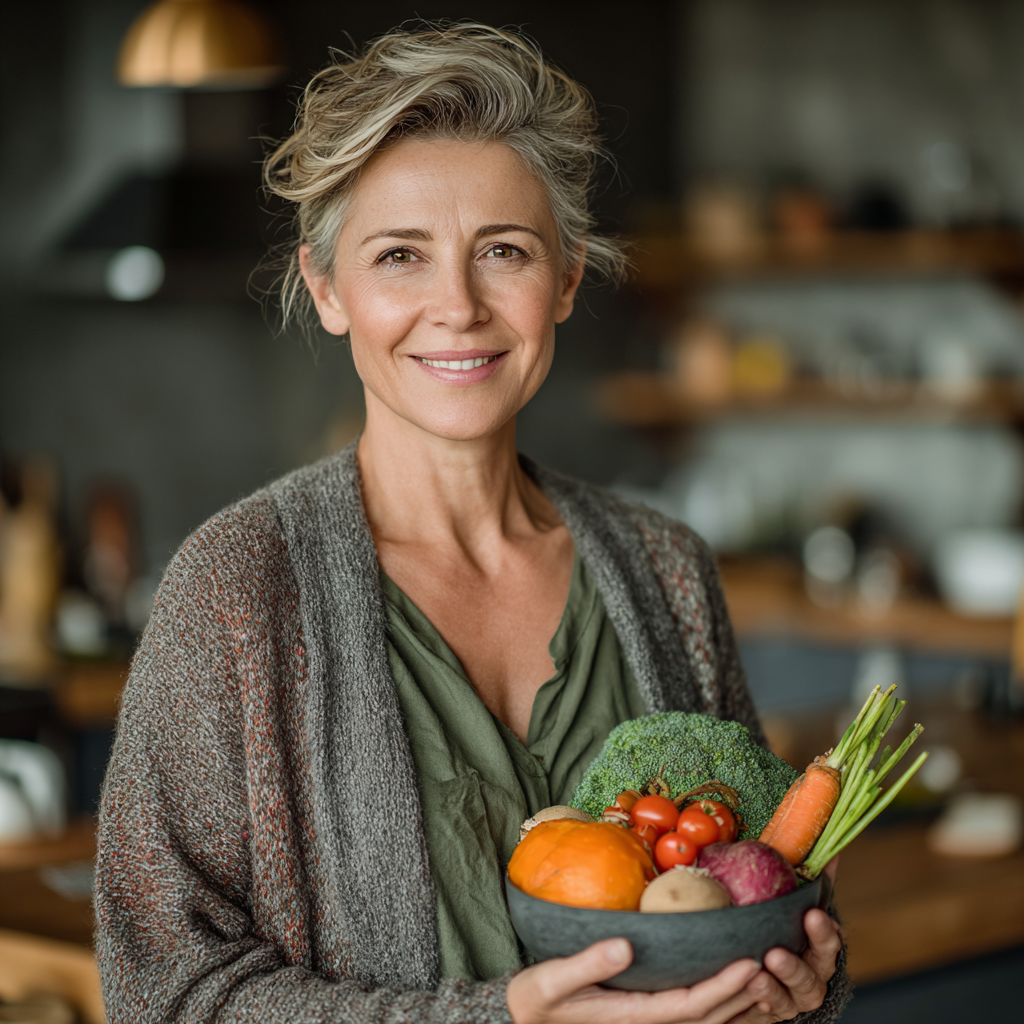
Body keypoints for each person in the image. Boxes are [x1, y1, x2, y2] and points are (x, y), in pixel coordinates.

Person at [95, 22, 850, 1024]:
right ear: (329, 290)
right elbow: (165, 991)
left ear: (567, 279)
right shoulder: (238, 586)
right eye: (400, 255)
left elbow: (761, 877)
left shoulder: (663, 569)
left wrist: (800, 985)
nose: (456, 306)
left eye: (502, 250)